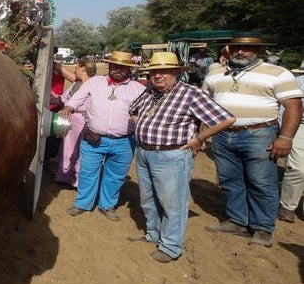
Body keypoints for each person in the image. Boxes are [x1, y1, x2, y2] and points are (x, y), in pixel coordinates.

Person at [127, 52, 235, 263]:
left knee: (172, 203)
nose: (158, 76)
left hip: (171, 155)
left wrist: (199, 138)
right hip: (144, 152)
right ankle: (153, 234)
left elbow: (226, 119)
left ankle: (170, 246)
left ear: (176, 72)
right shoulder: (149, 91)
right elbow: (133, 110)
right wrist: (143, 126)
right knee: (148, 199)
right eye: (154, 72)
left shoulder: (190, 94)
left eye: (164, 72)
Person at [203, 34, 302, 246]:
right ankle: (237, 220)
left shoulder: (278, 73)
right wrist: (202, 134)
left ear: (258, 51)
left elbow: (294, 107)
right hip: (221, 135)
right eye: (236, 47)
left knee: (261, 182)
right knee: (230, 180)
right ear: (229, 49)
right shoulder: (215, 72)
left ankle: (262, 228)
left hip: (259, 134)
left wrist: (285, 137)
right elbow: (205, 104)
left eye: (247, 49)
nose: (240, 51)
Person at [59, 50, 146, 220]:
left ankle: (107, 205)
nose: (118, 69)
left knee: (115, 175)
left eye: (123, 67)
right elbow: (77, 98)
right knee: (87, 172)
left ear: (129, 69)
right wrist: (69, 107)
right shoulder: (95, 82)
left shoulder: (138, 89)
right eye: (115, 66)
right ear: (110, 66)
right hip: (94, 138)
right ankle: (83, 203)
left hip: (124, 141)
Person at [54, 56, 95, 187]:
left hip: (84, 121)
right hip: (71, 120)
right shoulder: (75, 85)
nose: (75, 70)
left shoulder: (94, 85)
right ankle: (65, 176)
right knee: (67, 147)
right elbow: (64, 98)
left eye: (77, 67)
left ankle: (78, 180)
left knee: (80, 150)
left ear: (83, 68)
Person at [276, 67, 304, 223]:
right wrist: (283, 133)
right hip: (300, 126)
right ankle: (288, 206)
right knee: (299, 169)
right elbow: (286, 109)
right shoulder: (299, 82)